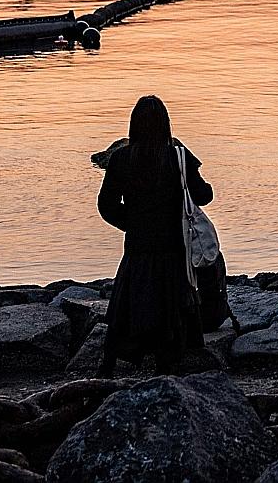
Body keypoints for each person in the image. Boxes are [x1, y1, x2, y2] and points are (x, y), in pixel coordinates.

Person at [97, 95, 214, 373]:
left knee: (127, 305)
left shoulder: (121, 159)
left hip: (137, 247)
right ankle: (169, 358)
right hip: (174, 248)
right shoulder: (177, 156)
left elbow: (106, 206)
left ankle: (112, 362)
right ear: (166, 124)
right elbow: (204, 195)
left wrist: (131, 223)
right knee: (173, 303)